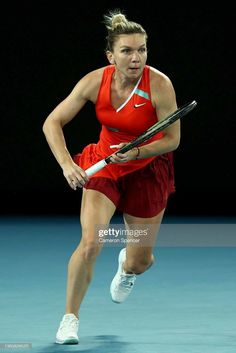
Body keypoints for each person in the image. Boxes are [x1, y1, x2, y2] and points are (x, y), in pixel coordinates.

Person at [42, 9, 180, 345]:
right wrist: (66, 164)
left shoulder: (159, 84)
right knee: (91, 242)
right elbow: (52, 123)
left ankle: (128, 267)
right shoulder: (94, 81)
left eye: (142, 50)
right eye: (127, 51)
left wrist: (134, 152)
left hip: (147, 171)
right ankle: (69, 320)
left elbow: (172, 139)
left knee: (141, 260)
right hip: (104, 166)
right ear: (111, 55)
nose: (136, 58)